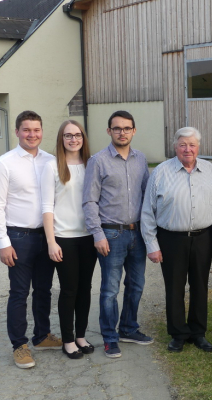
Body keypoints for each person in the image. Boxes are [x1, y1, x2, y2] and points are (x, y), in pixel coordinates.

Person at [141, 127, 212, 353]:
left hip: (203, 237)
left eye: (192, 145)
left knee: (200, 286)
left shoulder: (211, 170)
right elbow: (148, 211)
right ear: (175, 146)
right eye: (183, 144)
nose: (188, 149)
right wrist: (152, 245)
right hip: (171, 239)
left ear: (199, 147)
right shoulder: (161, 172)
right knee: (174, 288)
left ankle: (198, 332)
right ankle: (178, 333)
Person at [83, 110, 152, 358]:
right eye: (116, 128)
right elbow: (89, 201)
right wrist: (98, 234)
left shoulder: (141, 159)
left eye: (126, 128)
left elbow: (148, 196)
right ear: (109, 131)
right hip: (111, 235)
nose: (122, 132)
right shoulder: (98, 161)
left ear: (134, 130)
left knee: (136, 285)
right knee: (110, 290)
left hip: (138, 234)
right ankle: (110, 338)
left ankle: (128, 329)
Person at [0, 110, 63, 369]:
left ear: (42, 132)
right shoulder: (6, 162)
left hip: (46, 236)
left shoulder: (51, 160)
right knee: (19, 293)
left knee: (44, 290)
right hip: (18, 237)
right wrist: (3, 242)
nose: (32, 134)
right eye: (26, 130)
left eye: (36, 130)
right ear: (17, 132)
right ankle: (19, 345)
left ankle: (41, 335)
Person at [41, 120, 97, 359]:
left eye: (77, 135)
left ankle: (80, 336)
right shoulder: (52, 166)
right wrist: (51, 241)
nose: (73, 139)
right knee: (69, 289)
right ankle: (67, 339)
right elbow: (47, 207)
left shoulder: (91, 164)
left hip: (88, 236)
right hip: (64, 238)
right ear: (61, 139)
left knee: (86, 288)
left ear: (83, 138)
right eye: (68, 135)